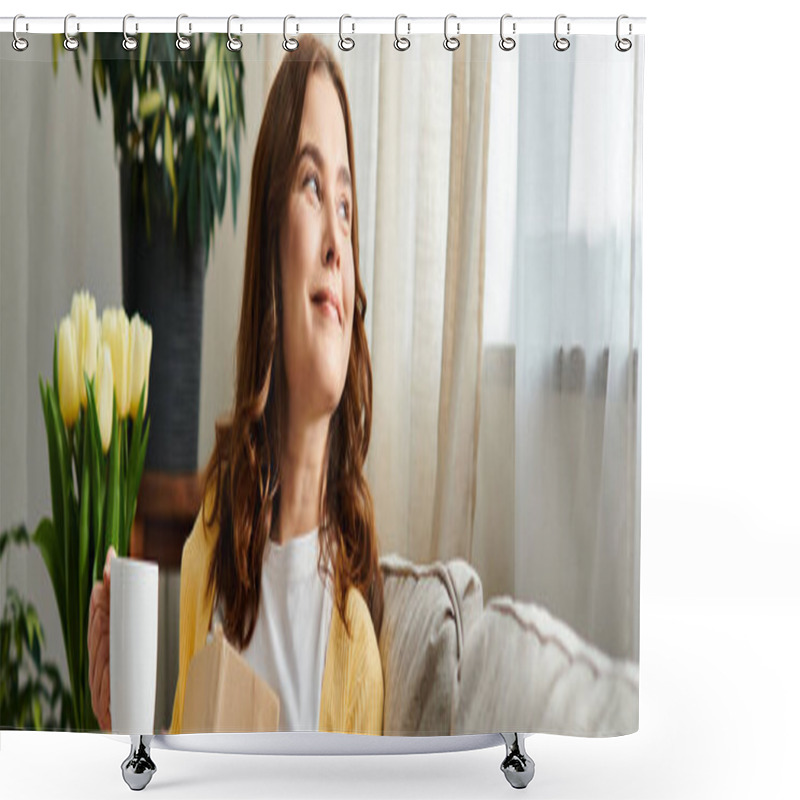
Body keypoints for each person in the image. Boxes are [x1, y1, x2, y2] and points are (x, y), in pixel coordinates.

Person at [87, 34, 384, 736]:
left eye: (347, 205)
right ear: (269, 248)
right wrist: (119, 739)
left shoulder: (357, 649)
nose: (338, 245)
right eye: (313, 186)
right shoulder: (210, 555)